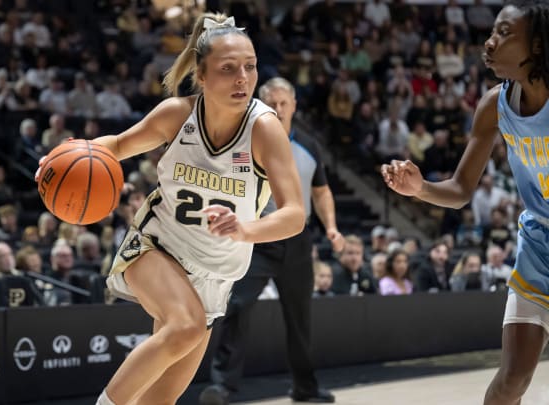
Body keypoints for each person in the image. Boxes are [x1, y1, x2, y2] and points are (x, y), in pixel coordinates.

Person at [36, 13, 305, 405]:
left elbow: (295, 214)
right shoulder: (177, 115)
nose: (243, 79)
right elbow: (116, 146)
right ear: (202, 74)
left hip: (216, 273)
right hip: (157, 246)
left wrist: (245, 230)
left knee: (159, 400)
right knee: (185, 327)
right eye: (228, 69)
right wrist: (60, 157)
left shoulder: (264, 129)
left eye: (250, 67)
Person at [382, 2, 549, 403]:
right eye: (493, 30)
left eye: (505, 33)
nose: (490, 42)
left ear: (539, 45)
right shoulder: (495, 105)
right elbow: (459, 190)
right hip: (539, 246)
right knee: (511, 381)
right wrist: (420, 188)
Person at [199, 77, 344, 404]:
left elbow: (321, 192)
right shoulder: (247, 140)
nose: (278, 109)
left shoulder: (309, 144)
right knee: (235, 306)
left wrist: (332, 227)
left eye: (284, 103)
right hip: (256, 236)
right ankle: (222, 387)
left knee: (300, 316)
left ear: (294, 105)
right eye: (272, 103)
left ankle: (305, 389)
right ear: (262, 104)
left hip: (297, 239)